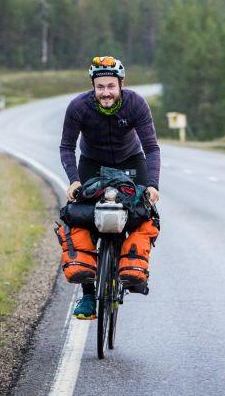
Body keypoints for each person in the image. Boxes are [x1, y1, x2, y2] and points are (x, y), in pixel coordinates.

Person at [59, 55, 161, 320]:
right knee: (80, 216)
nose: (106, 92)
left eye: (111, 87)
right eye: (100, 87)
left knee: (143, 212)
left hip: (130, 161)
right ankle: (89, 294)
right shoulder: (79, 107)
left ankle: (134, 271)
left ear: (121, 84)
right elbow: (67, 147)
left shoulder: (136, 104)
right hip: (92, 163)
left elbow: (151, 148)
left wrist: (152, 184)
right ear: (93, 86)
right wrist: (74, 180)